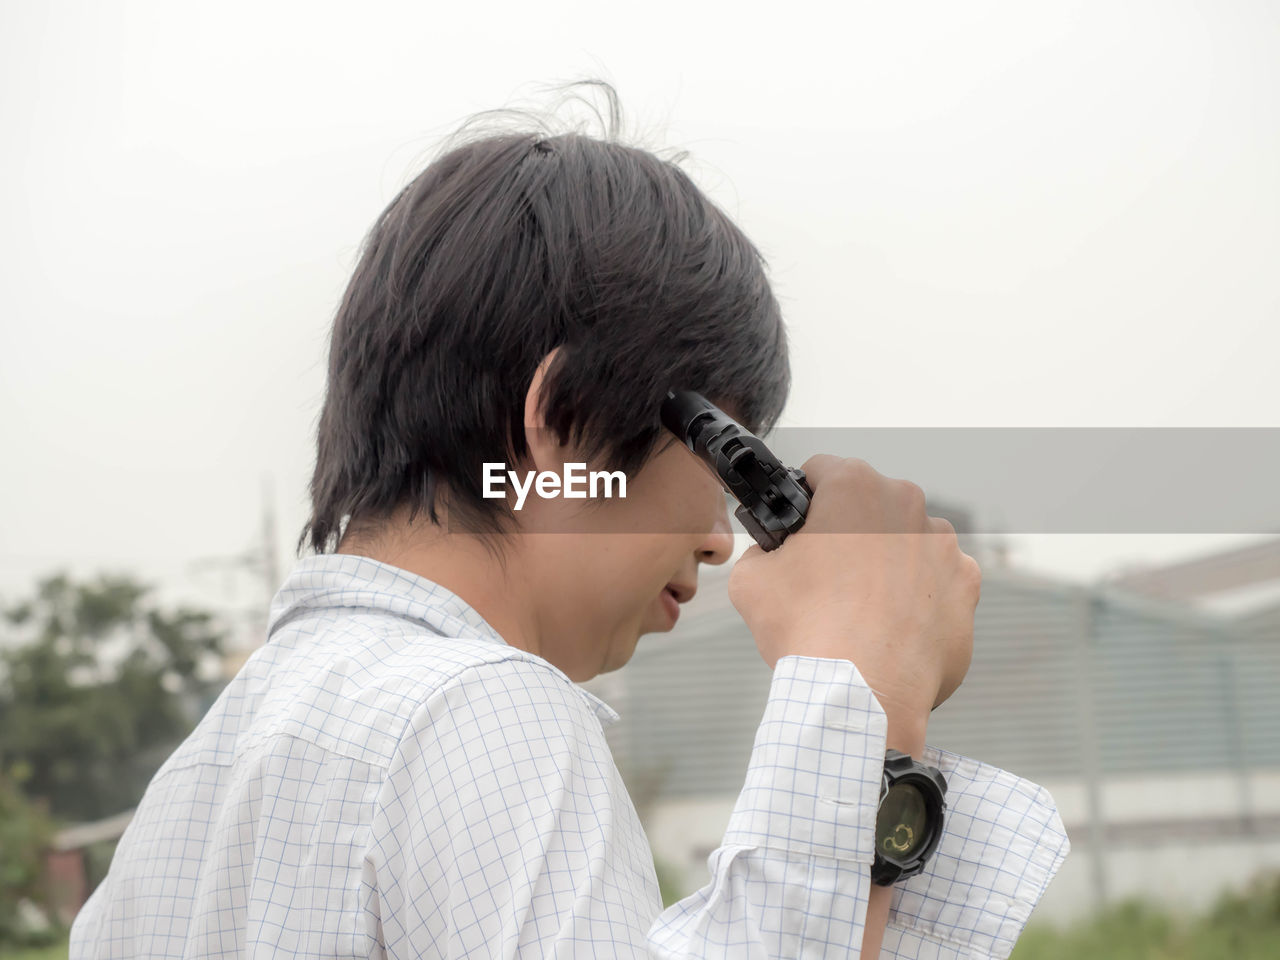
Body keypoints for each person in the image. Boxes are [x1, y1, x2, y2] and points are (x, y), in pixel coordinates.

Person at [70, 88, 1069, 958]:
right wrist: (866, 686)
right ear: (560, 420)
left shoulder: (191, 791)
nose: (721, 540)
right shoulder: (479, 711)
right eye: (720, 463)